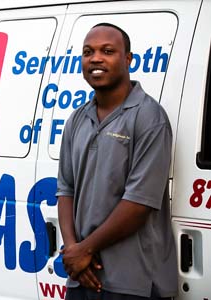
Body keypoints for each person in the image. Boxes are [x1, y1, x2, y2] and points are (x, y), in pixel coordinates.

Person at [56, 23, 178, 300]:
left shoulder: (149, 117)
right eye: (88, 52)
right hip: (82, 276)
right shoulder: (77, 118)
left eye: (107, 51)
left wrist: (84, 250)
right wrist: (73, 251)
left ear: (128, 59)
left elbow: (139, 203)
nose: (96, 58)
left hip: (132, 281)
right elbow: (66, 189)